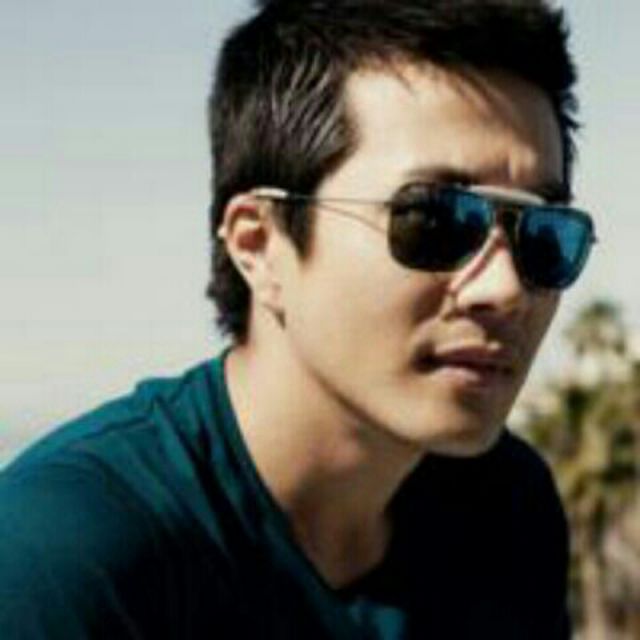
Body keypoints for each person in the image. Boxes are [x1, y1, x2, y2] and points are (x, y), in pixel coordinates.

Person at [0, 0, 597, 637]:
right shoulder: (64, 560)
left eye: (545, 235)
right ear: (259, 245)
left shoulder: (505, 511)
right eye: (434, 219)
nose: (505, 289)